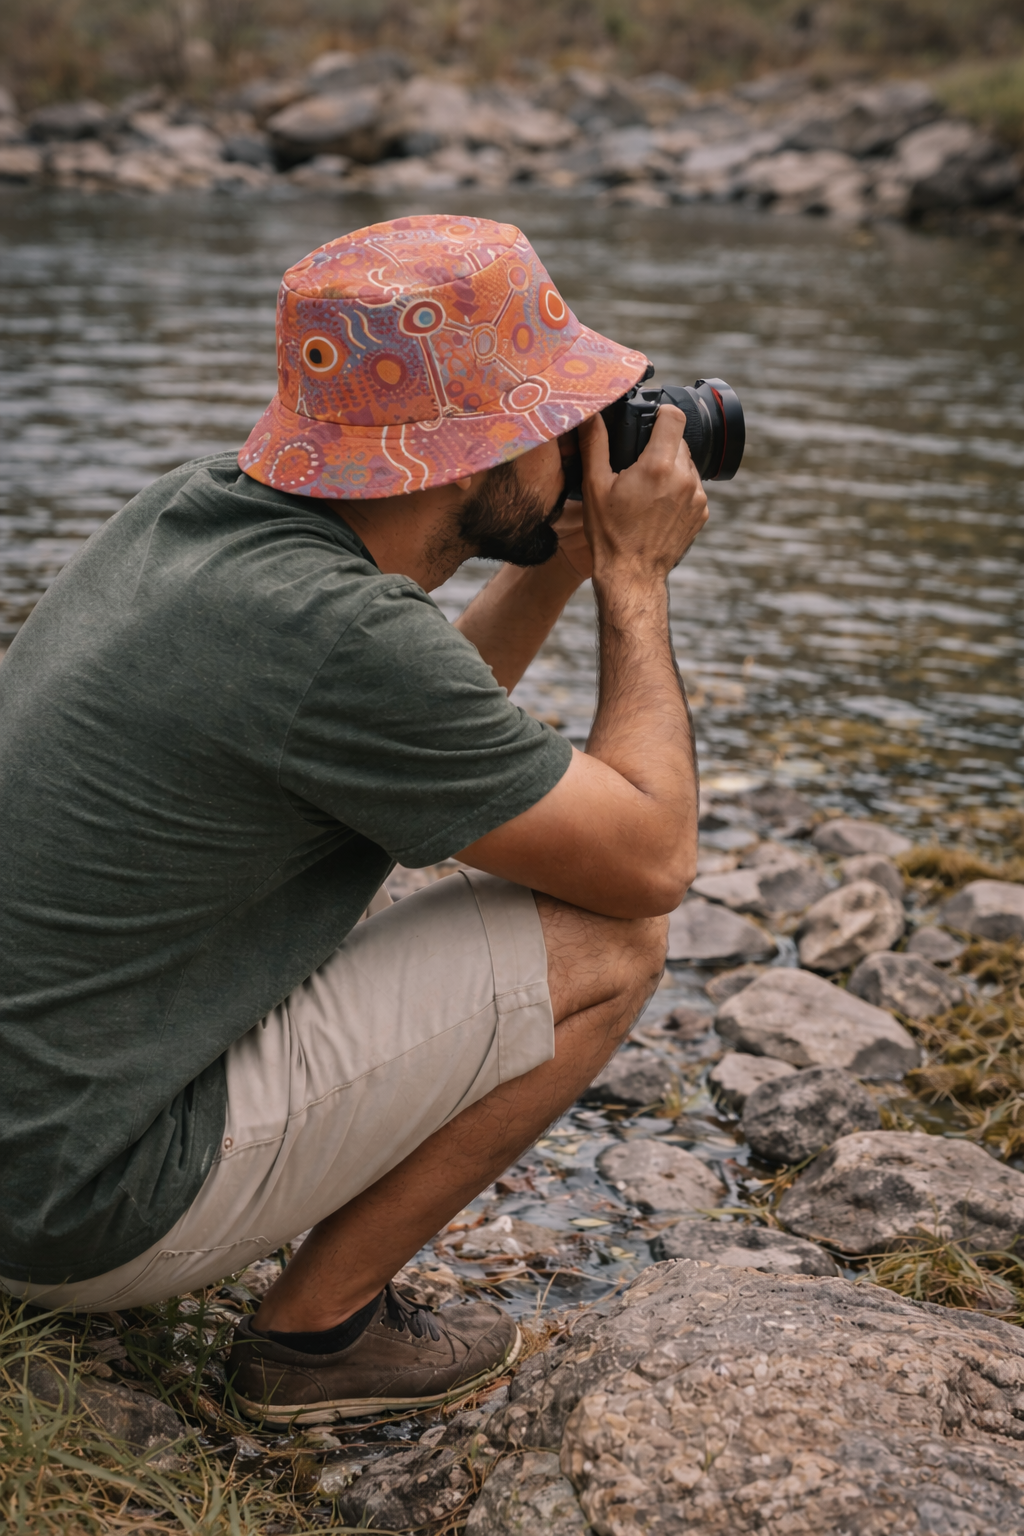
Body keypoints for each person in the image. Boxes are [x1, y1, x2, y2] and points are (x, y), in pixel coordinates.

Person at [0, 214, 707, 1423]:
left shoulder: (201, 516)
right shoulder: (333, 639)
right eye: (548, 415)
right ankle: (316, 1343)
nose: (573, 437)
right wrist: (632, 587)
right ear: (464, 450)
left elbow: (423, 738)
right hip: (70, 1206)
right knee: (606, 946)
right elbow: (650, 860)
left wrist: (552, 554)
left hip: (30, 1130)